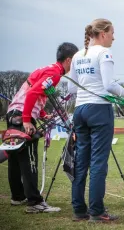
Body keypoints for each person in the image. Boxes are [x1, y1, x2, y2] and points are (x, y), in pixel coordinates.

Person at [68, 18, 124, 222]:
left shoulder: (78, 55)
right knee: (98, 163)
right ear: (103, 33)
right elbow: (108, 85)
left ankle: (79, 210)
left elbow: (71, 88)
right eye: (112, 33)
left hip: (79, 110)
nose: (114, 37)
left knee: (81, 162)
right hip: (99, 111)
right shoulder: (104, 52)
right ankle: (97, 211)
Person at [6, 42, 79, 213]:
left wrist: (43, 115)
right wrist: (26, 120)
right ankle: (35, 202)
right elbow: (31, 94)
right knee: (29, 159)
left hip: (14, 113)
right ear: (68, 60)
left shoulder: (48, 69)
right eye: (75, 61)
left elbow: (35, 94)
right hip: (22, 115)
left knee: (16, 157)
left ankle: (18, 196)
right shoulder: (54, 73)